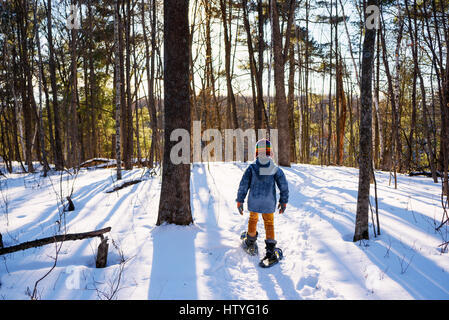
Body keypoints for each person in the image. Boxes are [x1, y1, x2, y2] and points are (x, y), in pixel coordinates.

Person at [236, 139, 289, 264]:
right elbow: (283, 186)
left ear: (256, 153)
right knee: (269, 223)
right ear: (270, 154)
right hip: (268, 202)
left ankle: (250, 242)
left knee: (253, 220)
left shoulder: (252, 168)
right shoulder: (274, 168)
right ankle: (270, 251)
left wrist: (240, 200)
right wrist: (283, 201)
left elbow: (243, 185)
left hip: (254, 201)